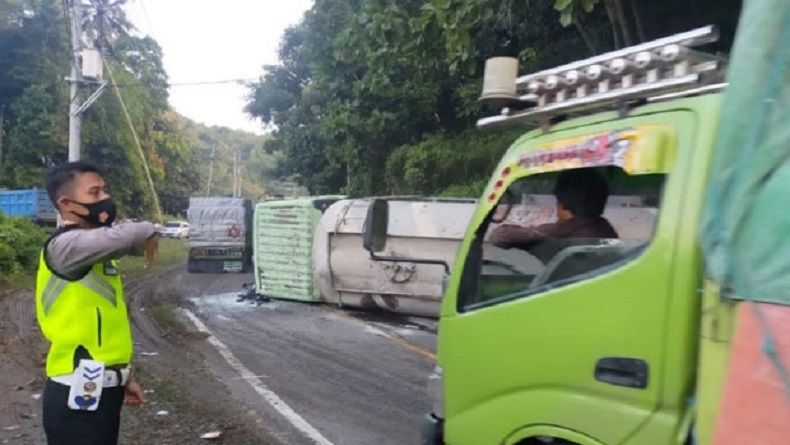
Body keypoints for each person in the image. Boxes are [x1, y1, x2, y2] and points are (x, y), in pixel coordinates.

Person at [36, 161, 159, 445]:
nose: (105, 198)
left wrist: (123, 377)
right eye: (94, 192)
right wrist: (149, 228)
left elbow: (99, 325)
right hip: (76, 398)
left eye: (104, 190)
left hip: (97, 390)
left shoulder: (92, 254)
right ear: (67, 203)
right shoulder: (64, 248)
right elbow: (131, 234)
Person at [490, 168, 618, 251]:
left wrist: (533, 231)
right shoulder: (605, 229)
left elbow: (498, 237)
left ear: (561, 205)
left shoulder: (558, 233)